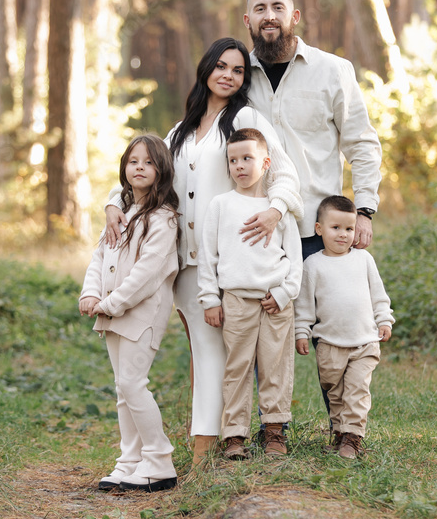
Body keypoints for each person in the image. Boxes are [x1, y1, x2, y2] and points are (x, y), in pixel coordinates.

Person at [104, 38, 303, 466]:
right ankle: (189, 442)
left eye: (237, 70)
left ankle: (205, 449)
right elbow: (146, 172)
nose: (229, 75)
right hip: (177, 261)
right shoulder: (180, 130)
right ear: (206, 68)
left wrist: (275, 209)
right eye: (221, 67)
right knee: (200, 351)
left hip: (223, 261)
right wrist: (111, 202)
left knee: (214, 353)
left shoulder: (245, 118)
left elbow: (283, 170)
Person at [242, 0, 383, 260]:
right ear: (248, 20)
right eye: (260, 9)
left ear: (294, 16)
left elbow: (362, 144)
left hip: (317, 232)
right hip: (254, 231)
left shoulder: (333, 70)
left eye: (277, 7)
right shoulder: (236, 77)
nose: (269, 16)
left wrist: (364, 211)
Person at [80, 135, 180, 492]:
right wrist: (90, 292)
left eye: (149, 162)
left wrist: (108, 303)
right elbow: (100, 256)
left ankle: (159, 460)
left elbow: (147, 275)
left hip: (142, 313)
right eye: (133, 161)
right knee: (123, 389)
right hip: (113, 311)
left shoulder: (164, 218)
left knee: (134, 384)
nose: (140, 167)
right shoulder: (122, 211)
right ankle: (130, 460)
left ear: (162, 170)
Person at [197, 128, 302, 459]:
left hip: (274, 301)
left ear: (266, 162)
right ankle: (235, 435)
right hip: (236, 300)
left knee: (276, 366)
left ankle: (274, 431)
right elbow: (208, 256)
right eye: (233, 160)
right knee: (237, 367)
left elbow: (295, 260)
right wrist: (210, 299)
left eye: (247, 158)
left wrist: (285, 294)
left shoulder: (278, 210)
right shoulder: (221, 205)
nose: (239, 166)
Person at [294, 195, 394, 459]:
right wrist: (301, 331)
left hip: (363, 342)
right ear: (319, 229)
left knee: (357, 391)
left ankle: (353, 437)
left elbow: (378, 295)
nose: (343, 235)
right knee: (335, 393)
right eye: (335, 228)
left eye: (349, 229)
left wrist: (384, 319)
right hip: (329, 344)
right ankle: (340, 433)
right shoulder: (312, 264)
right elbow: (304, 305)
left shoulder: (363, 260)